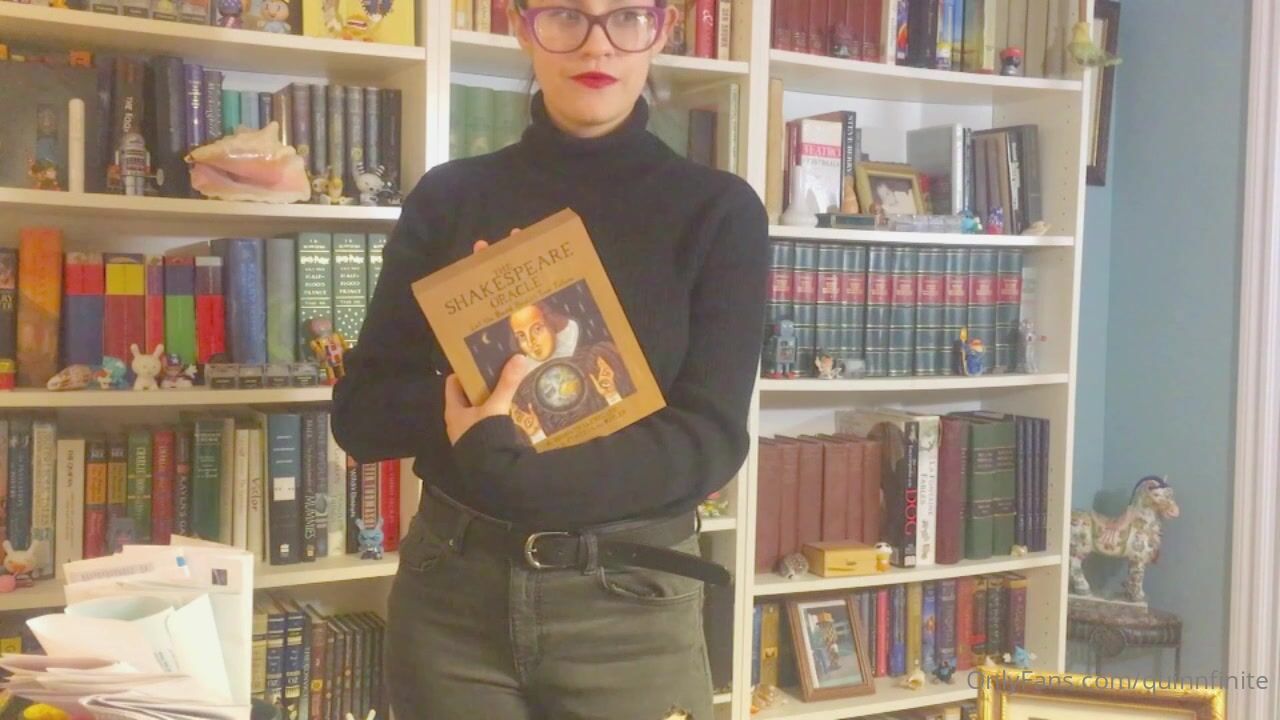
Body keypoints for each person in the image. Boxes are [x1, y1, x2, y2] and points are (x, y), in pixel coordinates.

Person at [330, 0, 769, 717]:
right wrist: (477, 364)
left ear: (662, 30)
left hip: (628, 609)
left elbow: (708, 442)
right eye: (565, 15)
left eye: (626, 17)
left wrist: (502, 459)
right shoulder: (450, 196)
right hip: (451, 601)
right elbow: (361, 417)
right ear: (520, 26)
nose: (596, 45)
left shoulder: (717, 211)